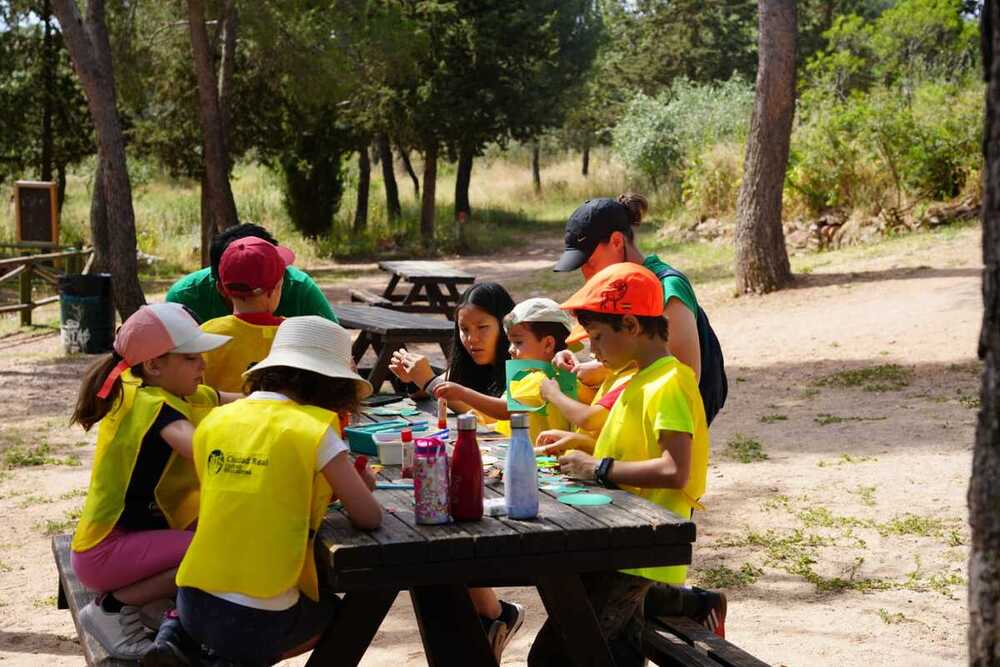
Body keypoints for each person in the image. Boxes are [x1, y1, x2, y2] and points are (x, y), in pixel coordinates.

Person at [144, 316, 383, 666]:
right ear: (333, 384)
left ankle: (173, 639)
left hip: (190, 601)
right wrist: (358, 485)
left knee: (218, 611)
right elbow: (369, 516)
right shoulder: (314, 428)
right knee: (337, 613)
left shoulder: (214, 421)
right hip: (258, 617)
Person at [527, 263, 710, 666]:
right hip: (615, 543)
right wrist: (580, 446)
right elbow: (632, 447)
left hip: (638, 552)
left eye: (596, 337)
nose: (592, 350)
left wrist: (598, 468)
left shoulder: (669, 383)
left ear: (629, 324)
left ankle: (695, 606)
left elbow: (674, 469)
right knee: (606, 653)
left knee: (555, 658)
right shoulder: (638, 378)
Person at [69, 303, 235, 660]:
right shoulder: (154, 406)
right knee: (215, 550)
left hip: (123, 545)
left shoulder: (156, 389)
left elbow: (241, 402)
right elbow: (197, 448)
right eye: (192, 358)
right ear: (154, 364)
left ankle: (149, 605)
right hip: (105, 554)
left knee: (210, 534)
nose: (203, 366)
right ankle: (112, 608)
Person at [387, 283, 526, 658]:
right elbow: (450, 424)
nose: (472, 339)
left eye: (483, 328)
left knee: (445, 543)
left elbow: (508, 410)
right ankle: (494, 616)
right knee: (439, 538)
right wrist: (427, 387)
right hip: (481, 475)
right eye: (464, 329)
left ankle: (493, 619)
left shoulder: (522, 362)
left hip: (522, 481)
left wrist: (433, 383)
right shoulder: (461, 367)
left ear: (505, 326)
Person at [552, 194, 726, 424]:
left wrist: (602, 370)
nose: (586, 274)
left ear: (617, 241)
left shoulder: (668, 287)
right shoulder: (616, 288)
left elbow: (683, 374)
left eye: (590, 263)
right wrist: (584, 366)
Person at [432, 297, 574, 445]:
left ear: (548, 344)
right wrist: (483, 419)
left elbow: (505, 411)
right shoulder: (554, 374)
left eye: (518, 342)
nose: (510, 349)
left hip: (534, 459)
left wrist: (463, 393)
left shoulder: (539, 378)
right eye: (510, 342)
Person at [166, 223, 338, 324]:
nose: (281, 275)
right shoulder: (183, 298)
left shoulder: (299, 287)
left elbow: (336, 344)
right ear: (221, 288)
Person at [199, 236, 294, 392]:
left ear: (221, 289)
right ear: (276, 288)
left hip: (221, 416)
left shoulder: (206, 335)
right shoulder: (297, 333)